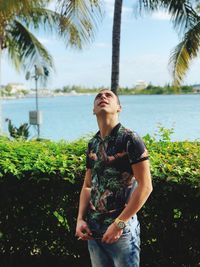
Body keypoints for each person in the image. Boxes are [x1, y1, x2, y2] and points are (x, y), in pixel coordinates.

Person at [75, 89, 152, 267]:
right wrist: (80, 219)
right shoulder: (93, 144)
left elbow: (146, 186)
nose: (103, 97)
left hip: (122, 231)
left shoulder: (130, 139)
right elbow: (87, 186)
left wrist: (119, 224)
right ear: (93, 110)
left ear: (119, 108)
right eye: (98, 96)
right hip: (93, 230)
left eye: (109, 95)